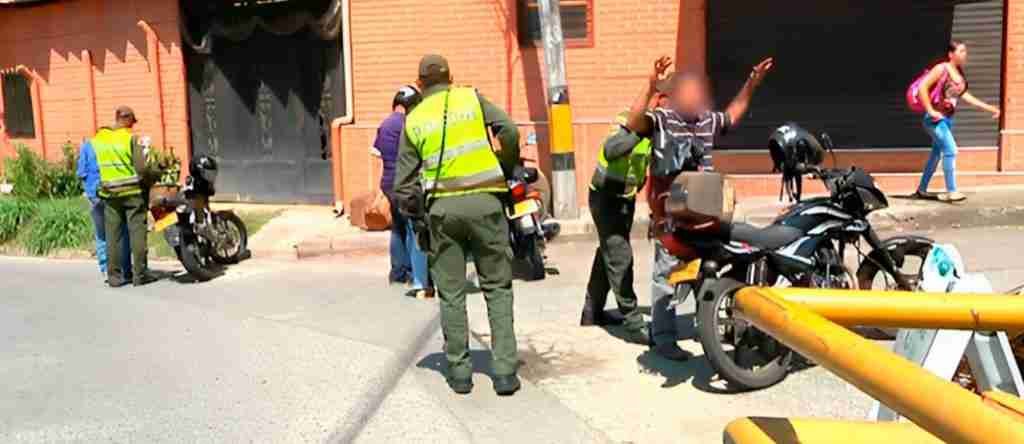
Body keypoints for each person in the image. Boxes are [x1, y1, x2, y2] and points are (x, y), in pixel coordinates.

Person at [606, 56, 774, 360]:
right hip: (671, 218)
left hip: (706, 216)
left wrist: (752, 82)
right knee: (665, 277)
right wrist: (650, 85)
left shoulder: (707, 120)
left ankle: (708, 327)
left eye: (700, 93)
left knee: (709, 272)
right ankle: (664, 339)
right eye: (690, 92)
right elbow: (633, 123)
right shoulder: (663, 120)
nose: (697, 98)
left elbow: (732, 114)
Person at [393, 54, 521, 396]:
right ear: (451, 77)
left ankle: (460, 373)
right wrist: (505, 165)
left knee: (451, 293)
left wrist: (419, 217)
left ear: (420, 84)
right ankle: (505, 372)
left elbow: (402, 185)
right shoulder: (471, 98)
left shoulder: (414, 118)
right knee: (497, 287)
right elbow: (509, 130)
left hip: (443, 212)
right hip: (487, 204)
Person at [580, 78, 672, 345]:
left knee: (608, 252)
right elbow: (611, 150)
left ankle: (592, 311)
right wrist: (640, 132)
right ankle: (633, 323)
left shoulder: (660, 128)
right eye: (669, 103)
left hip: (625, 199)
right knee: (620, 256)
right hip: (605, 197)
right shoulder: (628, 120)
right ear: (658, 100)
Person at [914, 40, 1001, 203]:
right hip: (935, 119)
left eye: (965, 51)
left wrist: (990, 108)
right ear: (951, 54)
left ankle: (921, 190)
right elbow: (922, 88)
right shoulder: (941, 68)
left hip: (947, 119)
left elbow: (966, 96)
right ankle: (952, 191)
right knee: (951, 150)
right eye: (961, 51)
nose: (965, 54)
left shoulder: (958, 73)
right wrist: (931, 110)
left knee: (936, 154)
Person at [373, 85, 431, 297]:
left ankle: (397, 273)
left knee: (397, 228)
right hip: (406, 184)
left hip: (388, 183)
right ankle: (416, 277)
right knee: (413, 228)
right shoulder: (408, 123)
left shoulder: (385, 124)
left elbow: (377, 153)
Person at [94, 106, 158, 287]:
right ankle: (140, 275)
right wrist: (154, 175)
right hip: (132, 194)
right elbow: (142, 169)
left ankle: (114, 277)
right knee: (137, 233)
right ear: (128, 119)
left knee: (112, 236)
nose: (132, 126)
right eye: (132, 122)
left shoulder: (100, 138)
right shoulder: (130, 139)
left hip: (110, 193)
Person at [76, 138, 131, 282]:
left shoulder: (88, 146)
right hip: (114, 192)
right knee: (122, 231)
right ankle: (125, 269)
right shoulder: (117, 144)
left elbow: (81, 172)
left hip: (94, 194)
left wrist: (89, 188)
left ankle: (106, 269)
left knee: (101, 233)